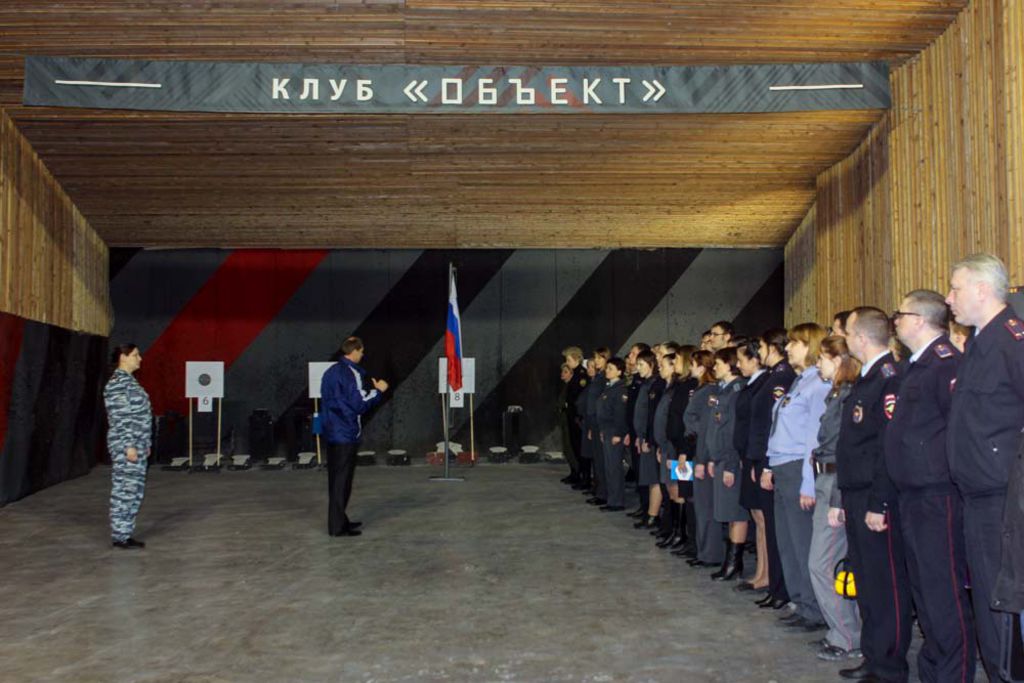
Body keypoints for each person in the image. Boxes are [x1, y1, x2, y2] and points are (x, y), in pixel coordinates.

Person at [886, 290, 976, 682]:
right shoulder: (914, 366)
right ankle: (933, 670)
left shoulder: (945, 364)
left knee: (944, 592)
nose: (895, 321)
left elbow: (958, 430)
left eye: (900, 314)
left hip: (937, 495)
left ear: (920, 320)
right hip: (912, 495)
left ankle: (953, 674)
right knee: (924, 591)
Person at [946, 253, 1024, 677]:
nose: (949, 298)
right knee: (986, 599)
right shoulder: (979, 343)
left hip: (1002, 498)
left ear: (981, 289)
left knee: (1002, 603)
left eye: (955, 288)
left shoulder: (1012, 341)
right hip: (977, 495)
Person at [836, 307, 912, 682]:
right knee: (865, 582)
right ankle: (874, 655)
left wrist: (879, 502)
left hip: (875, 497)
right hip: (855, 493)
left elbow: (887, 448)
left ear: (862, 338)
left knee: (886, 583)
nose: (845, 340)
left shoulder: (888, 380)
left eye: (848, 333)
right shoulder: (866, 379)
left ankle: (890, 664)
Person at [765, 323, 830, 633]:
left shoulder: (818, 384)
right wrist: (769, 465)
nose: (788, 348)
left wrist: (807, 482)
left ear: (810, 345)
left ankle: (813, 608)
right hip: (782, 466)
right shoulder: (799, 381)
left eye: (794, 343)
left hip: (796, 468)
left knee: (802, 541)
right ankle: (799, 601)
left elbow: (813, 439)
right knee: (787, 541)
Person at [812, 336, 863, 661]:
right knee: (826, 563)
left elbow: (847, 451)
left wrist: (837, 499)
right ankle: (846, 632)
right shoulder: (836, 394)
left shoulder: (848, 396)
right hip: (825, 477)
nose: (818, 363)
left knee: (823, 563)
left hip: (836, 482)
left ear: (838, 360)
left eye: (822, 358)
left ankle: (847, 637)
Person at [321, 336, 388, 537]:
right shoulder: (352, 373)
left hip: (331, 430)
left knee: (336, 480)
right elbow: (359, 404)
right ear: (354, 351)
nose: (363, 355)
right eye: (361, 351)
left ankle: (340, 520)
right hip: (346, 433)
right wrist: (378, 391)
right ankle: (337, 527)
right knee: (343, 482)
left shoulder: (330, 372)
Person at [754, 329, 797, 610]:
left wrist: (765, 464)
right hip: (765, 458)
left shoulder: (782, 378)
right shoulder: (774, 376)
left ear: (772, 347)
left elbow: (772, 425)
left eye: (760, 347)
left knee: (779, 529)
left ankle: (782, 588)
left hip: (774, 460)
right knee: (773, 528)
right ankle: (776, 586)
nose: (758, 352)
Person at [705, 346, 749, 581]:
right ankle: (730, 561)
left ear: (730, 365)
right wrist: (713, 458)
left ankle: (734, 563)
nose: (714, 367)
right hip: (720, 458)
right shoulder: (724, 390)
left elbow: (733, 432)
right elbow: (716, 428)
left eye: (719, 364)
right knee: (727, 512)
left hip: (730, 460)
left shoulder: (736, 391)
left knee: (735, 513)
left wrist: (731, 465)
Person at [105, 343, 152, 550]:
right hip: (127, 445)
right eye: (135, 355)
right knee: (125, 489)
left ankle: (125, 533)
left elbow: (140, 417)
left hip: (138, 444)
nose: (139, 359)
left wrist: (145, 444)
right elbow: (121, 419)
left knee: (134, 491)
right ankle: (120, 536)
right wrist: (129, 446)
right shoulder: (117, 384)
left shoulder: (130, 382)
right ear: (123, 357)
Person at [732, 341, 769, 591]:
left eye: (742, 360)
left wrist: (758, 460)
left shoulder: (763, 385)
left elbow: (761, 426)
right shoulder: (751, 384)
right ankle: (760, 572)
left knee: (762, 518)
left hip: (756, 457)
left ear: (755, 360)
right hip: (746, 456)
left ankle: (766, 575)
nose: (738, 364)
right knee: (756, 516)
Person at [684, 350, 723, 568]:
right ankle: (701, 549)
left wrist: (703, 459)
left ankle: (710, 553)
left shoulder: (709, 392)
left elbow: (708, 429)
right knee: (699, 505)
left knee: (706, 507)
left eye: (693, 364)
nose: (690, 368)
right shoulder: (700, 390)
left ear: (701, 367)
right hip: (695, 449)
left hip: (703, 453)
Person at [631, 350, 661, 529]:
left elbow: (652, 416)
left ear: (651, 365)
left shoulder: (655, 385)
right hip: (643, 436)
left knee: (653, 478)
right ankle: (649, 512)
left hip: (650, 438)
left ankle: (653, 516)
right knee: (648, 478)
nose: (638, 367)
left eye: (641, 364)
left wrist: (647, 439)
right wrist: (639, 436)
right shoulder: (646, 384)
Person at [597, 357, 631, 512]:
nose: (607, 371)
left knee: (614, 467)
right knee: (608, 467)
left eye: (611, 368)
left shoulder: (620, 390)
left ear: (619, 371)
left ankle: (616, 501)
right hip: (607, 430)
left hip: (614, 431)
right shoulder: (609, 387)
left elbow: (620, 414)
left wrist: (618, 434)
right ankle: (611, 498)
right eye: (607, 368)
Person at [561, 346, 588, 486]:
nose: (567, 362)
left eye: (569, 359)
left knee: (580, 448)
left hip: (577, 417)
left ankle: (584, 477)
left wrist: (577, 416)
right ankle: (577, 474)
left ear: (577, 358)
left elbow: (579, 399)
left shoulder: (581, 376)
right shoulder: (576, 374)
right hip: (572, 416)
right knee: (574, 447)